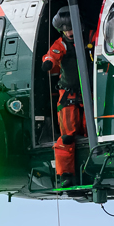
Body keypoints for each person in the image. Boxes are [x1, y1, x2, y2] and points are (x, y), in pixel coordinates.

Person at [41, 10, 85, 179]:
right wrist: (48, 63)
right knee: (67, 136)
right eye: (65, 30)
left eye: (71, 28)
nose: (69, 33)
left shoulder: (90, 37)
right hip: (68, 94)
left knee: (92, 129)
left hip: (91, 93)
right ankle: (65, 174)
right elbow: (52, 55)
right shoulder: (62, 44)